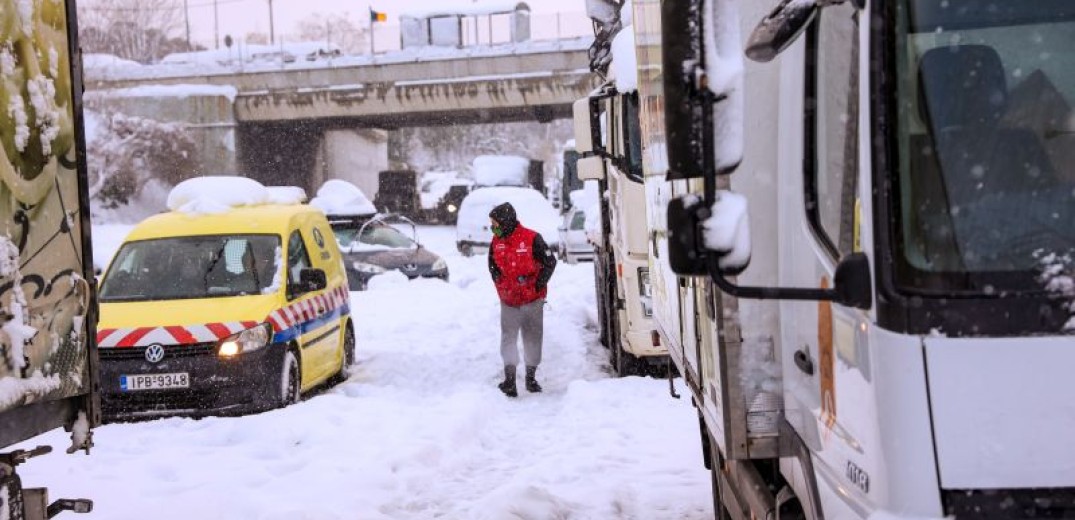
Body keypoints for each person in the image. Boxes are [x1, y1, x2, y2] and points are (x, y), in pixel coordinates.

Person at [487, 202, 557, 397]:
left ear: (506, 222)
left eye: (495, 223)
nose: (493, 228)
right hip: (508, 300)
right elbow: (492, 267)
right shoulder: (496, 242)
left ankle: (530, 378)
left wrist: (537, 285)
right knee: (508, 337)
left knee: (532, 337)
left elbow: (550, 262)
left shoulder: (532, 238)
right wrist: (501, 286)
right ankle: (509, 380)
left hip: (532, 299)